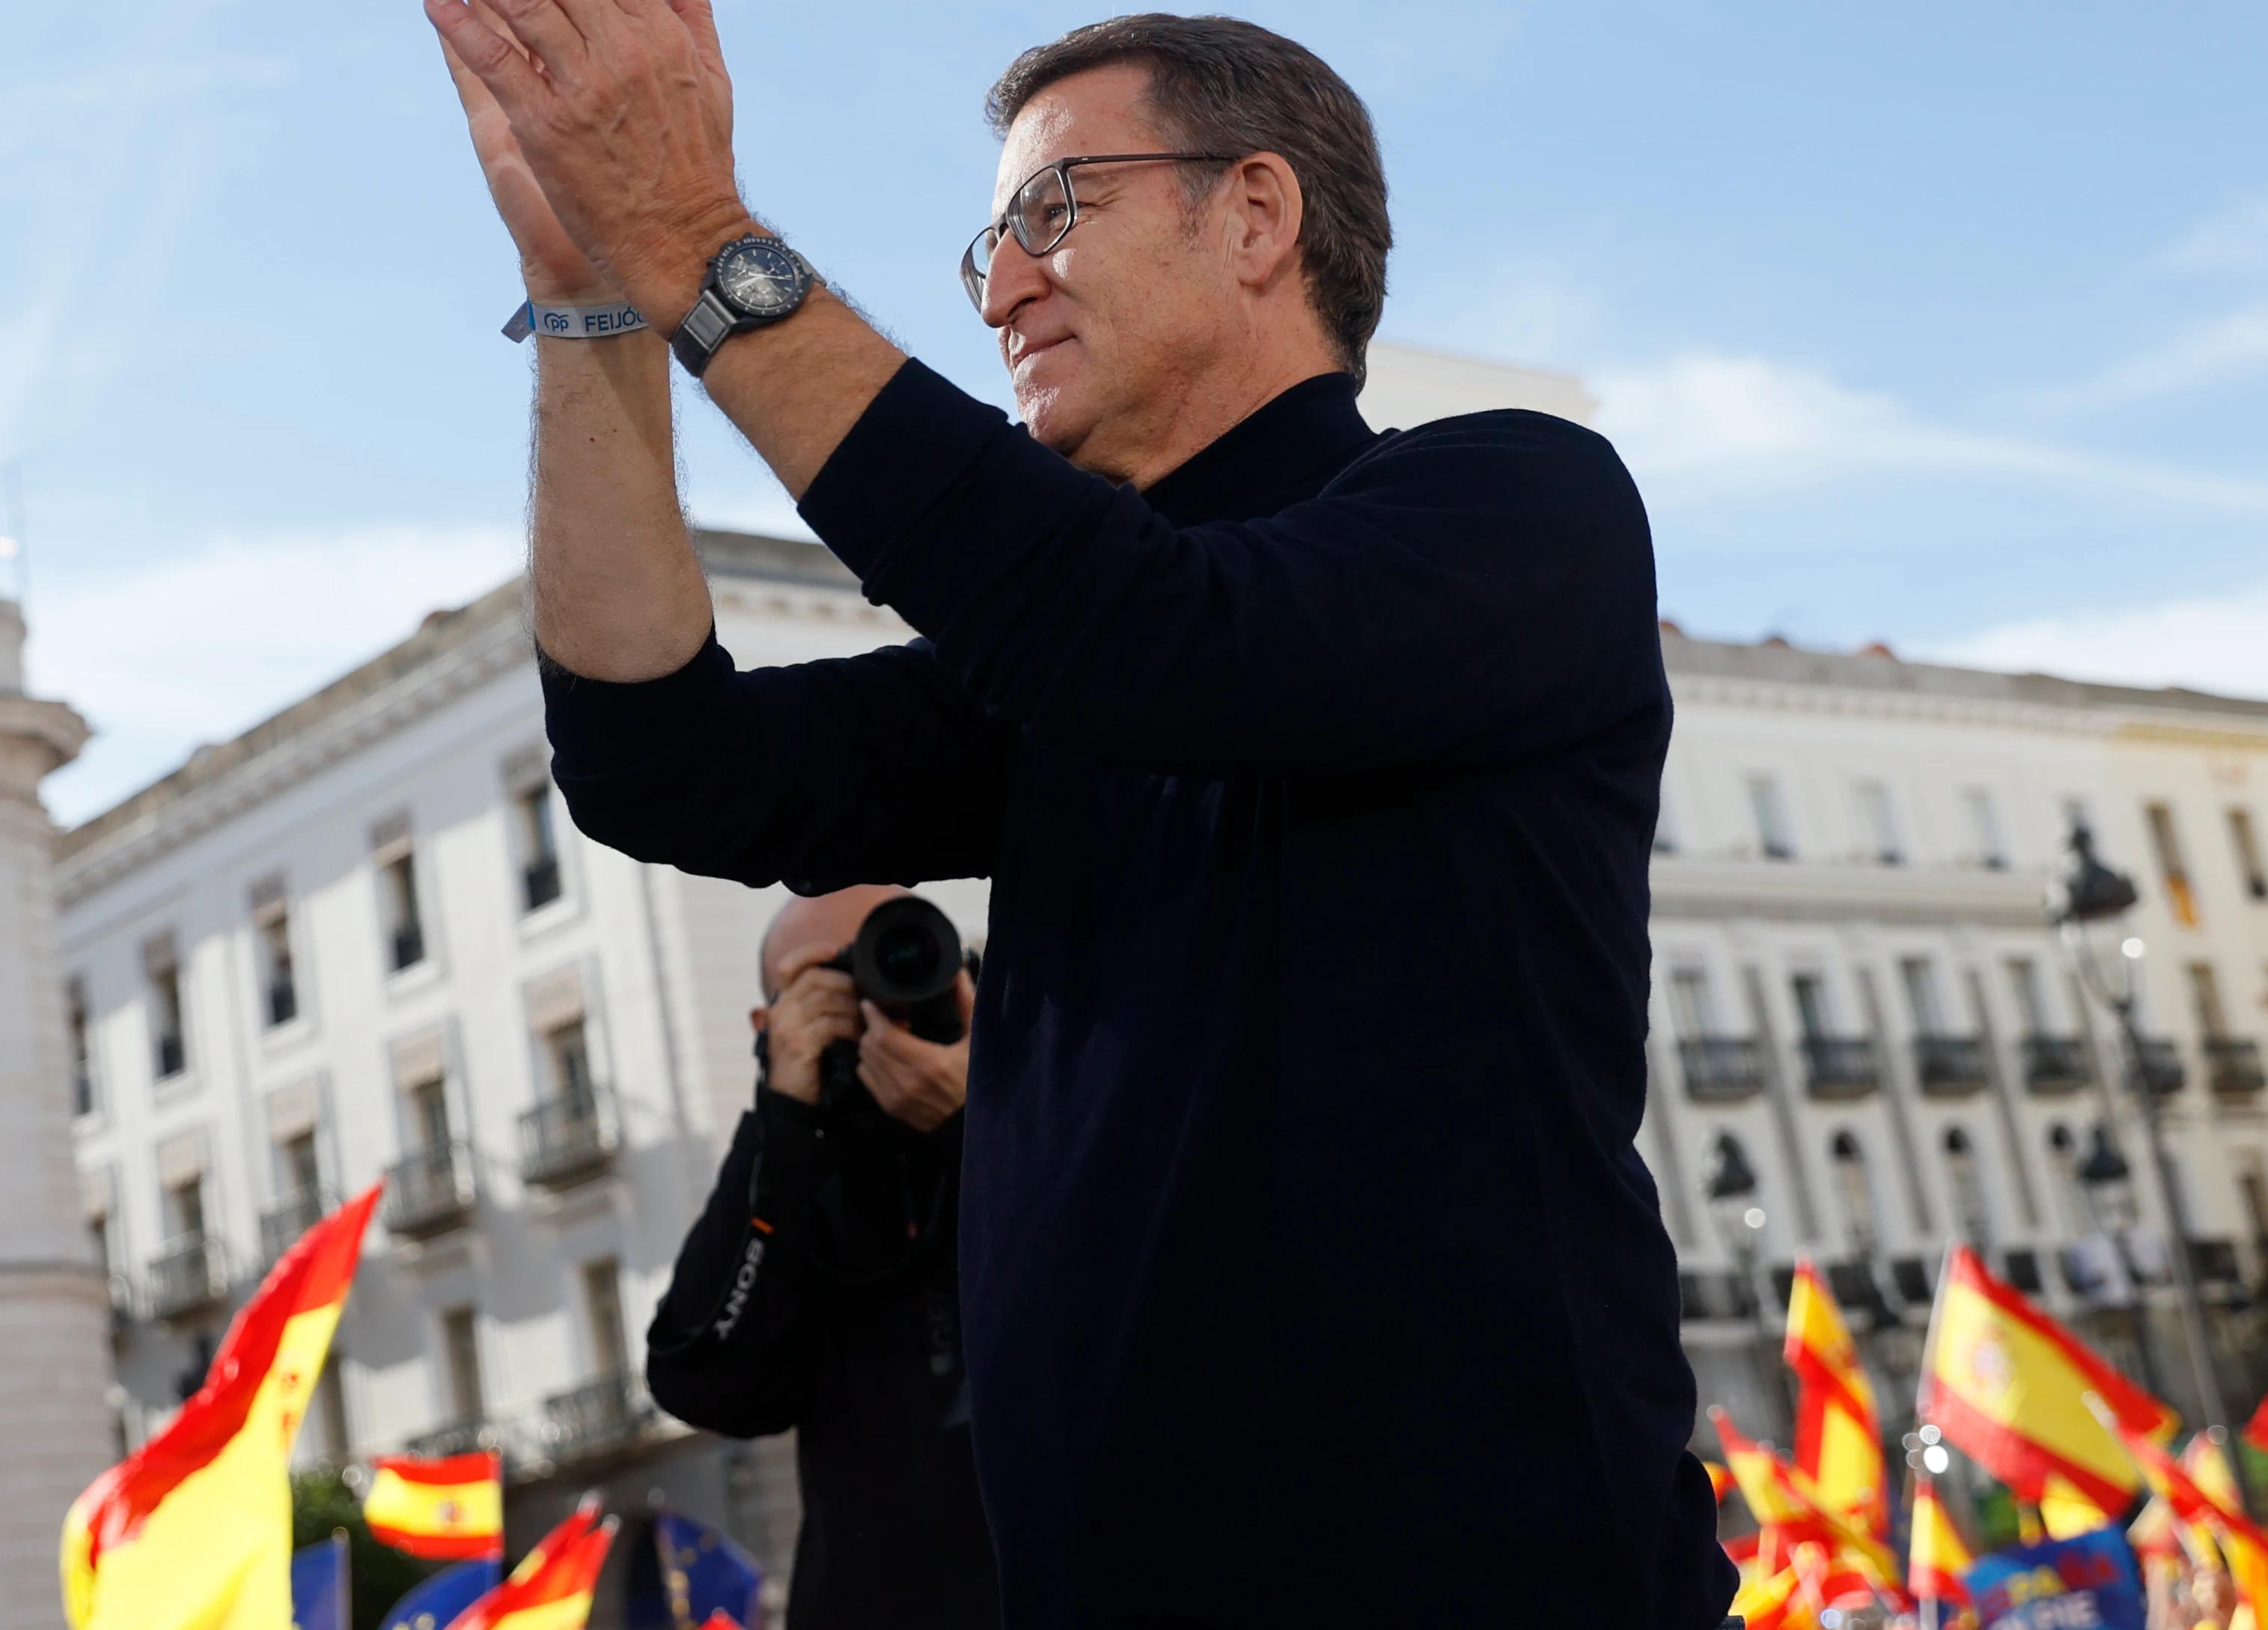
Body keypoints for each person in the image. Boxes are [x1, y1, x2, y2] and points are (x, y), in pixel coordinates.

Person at [426, 4, 1734, 1622]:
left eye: (1056, 209)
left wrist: (697, 236)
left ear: (1255, 214)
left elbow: (1156, 642)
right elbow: (658, 763)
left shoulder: (1519, 506)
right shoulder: (1054, 672)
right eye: (988, 242)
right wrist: (594, 303)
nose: (1001, 286)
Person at [646, 885, 999, 1628]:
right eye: (833, 982)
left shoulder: (1036, 1132)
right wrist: (782, 1121)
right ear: (766, 1023)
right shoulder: (790, 1187)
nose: (877, 994)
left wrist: (977, 1124)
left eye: (901, 954)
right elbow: (702, 1382)